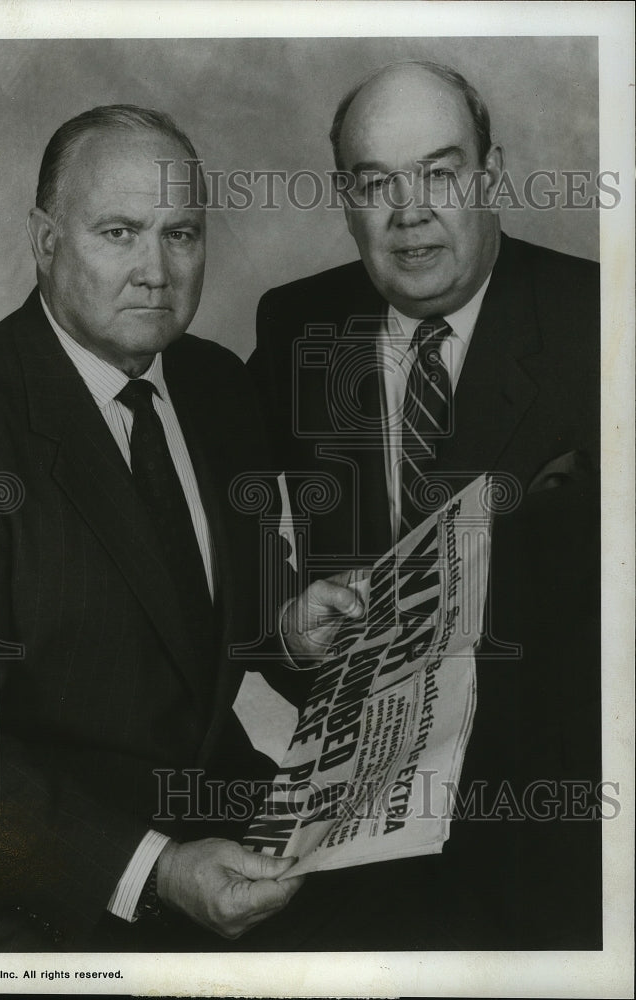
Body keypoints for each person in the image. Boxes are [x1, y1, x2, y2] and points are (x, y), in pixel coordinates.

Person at [0, 104, 360, 953]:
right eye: (118, 233)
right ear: (45, 240)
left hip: (217, 812)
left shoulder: (216, 384)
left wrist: (290, 629)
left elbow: (200, 620)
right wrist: (155, 868)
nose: (155, 271)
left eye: (180, 235)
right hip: (36, 875)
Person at [247, 61, 601, 948]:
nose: (408, 213)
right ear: (344, 199)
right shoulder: (297, 324)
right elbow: (214, 526)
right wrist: (282, 624)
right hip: (352, 826)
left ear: (491, 175)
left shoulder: (603, 321)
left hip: (560, 825)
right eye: (375, 184)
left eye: (439, 174)